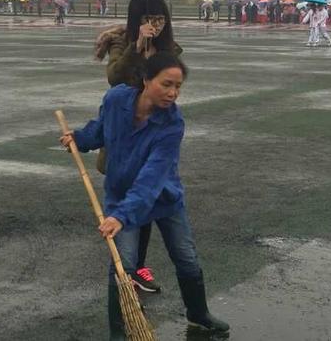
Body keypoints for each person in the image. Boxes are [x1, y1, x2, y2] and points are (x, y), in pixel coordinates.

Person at [59, 52, 230, 340]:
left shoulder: (172, 124)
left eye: (178, 87)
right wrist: (79, 139)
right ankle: (119, 331)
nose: (173, 93)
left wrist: (122, 217)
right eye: (167, 84)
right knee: (123, 266)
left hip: (162, 199)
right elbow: (101, 129)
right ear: (146, 80)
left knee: (186, 258)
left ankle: (198, 313)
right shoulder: (116, 100)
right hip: (121, 195)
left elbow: (152, 178)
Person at [94, 0, 182, 293]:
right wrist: (136, 48)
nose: (154, 25)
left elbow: (172, 83)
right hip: (125, 138)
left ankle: (136, 268)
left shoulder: (168, 47)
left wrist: (155, 57)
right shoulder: (121, 42)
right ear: (136, 20)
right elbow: (114, 78)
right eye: (148, 19)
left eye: (159, 18)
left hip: (154, 137)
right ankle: (125, 272)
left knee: (146, 206)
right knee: (128, 213)